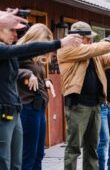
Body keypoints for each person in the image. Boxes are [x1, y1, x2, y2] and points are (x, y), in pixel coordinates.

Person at [0, 12, 81, 170]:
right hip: (6, 111)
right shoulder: (3, 50)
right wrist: (59, 43)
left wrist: (45, 80)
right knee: (5, 159)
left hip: (15, 109)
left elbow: (31, 50)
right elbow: (29, 48)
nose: (16, 35)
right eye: (11, 30)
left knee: (19, 161)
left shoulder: (10, 51)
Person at [57, 21, 110, 170]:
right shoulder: (66, 50)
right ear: (76, 38)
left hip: (95, 104)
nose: (90, 41)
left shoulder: (91, 53)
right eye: (87, 38)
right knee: (73, 148)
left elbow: (108, 60)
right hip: (78, 104)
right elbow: (92, 49)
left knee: (92, 146)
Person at [16, 24, 58, 170]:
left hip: (39, 108)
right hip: (27, 108)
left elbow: (38, 76)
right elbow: (9, 69)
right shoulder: (20, 51)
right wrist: (26, 74)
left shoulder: (35, 57)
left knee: (39, 153)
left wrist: (47, 81)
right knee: (28, 154)